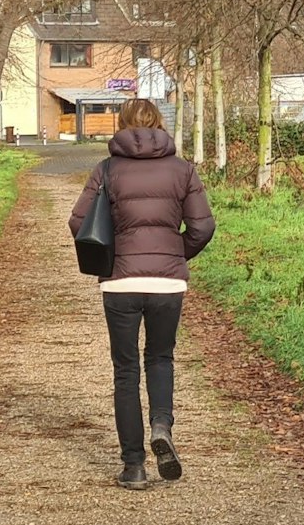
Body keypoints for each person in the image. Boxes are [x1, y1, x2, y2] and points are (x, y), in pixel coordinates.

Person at [67, 98, 215, 490]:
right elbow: (202, 227)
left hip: (120, 282)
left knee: (126, 370)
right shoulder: (183, 170)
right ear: (159, 124)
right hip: (167, 282)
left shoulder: (107, 169)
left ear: (122, 125)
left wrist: (112, 257)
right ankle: (162, 425)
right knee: (161, 357)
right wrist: (172, 255)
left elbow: (80, 222)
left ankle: (133, 466)